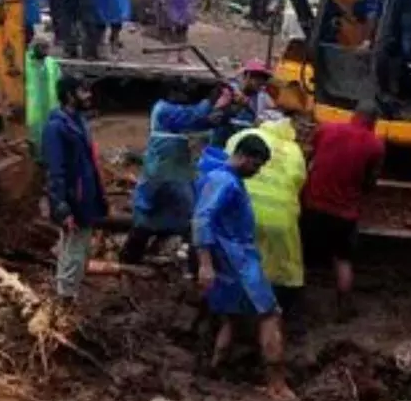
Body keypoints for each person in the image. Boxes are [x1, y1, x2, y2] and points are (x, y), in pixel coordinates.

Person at [194, 132, 294, 401]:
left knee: (233, 318)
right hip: (237, 263)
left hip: (229, 261)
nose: (257, 171)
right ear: (243, 156)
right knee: (270, 314)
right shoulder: (224, 181)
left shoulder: (220, 177)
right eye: (256, 165)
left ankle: (216, 368)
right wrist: (205, 265)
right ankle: (277, 384)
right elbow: (202, 219)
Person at [300, 99, 385, 320]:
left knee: (302, 254)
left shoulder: (327, 129)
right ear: (374, 121)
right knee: (343, 259)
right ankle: (343, 307)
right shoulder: (375, 144)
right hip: (345, 213)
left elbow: (307, 158)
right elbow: (369, 183)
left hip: (313, 204)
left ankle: (297, 301)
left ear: (353, 114)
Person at [121, 80, 219, 265]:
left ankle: (135, 254)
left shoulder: (168, 111)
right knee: (182, 209)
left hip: (170, 169)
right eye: (181, 92)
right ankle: (132, 257)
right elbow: (192, 116)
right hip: (165, 169)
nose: (185, 97)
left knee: (160, 212)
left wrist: (214, 116)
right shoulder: (165, 109)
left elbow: (197, 122)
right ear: (170, 93)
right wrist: (210, 101)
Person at [236, 111, 309, 331]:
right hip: (281, 218)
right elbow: (299, 183)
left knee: (243, 261)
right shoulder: (294, 150)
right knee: (283, 266)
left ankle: (239, 316)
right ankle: (277, 315)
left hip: (245, 213)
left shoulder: (245, 136)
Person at [43, 77, 107, 304]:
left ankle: (67, 292)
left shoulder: (77, 121)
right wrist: (62, 206)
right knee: (75, 250)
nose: (88, 96)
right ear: (70, 95)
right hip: (73, 200)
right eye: (83, 92)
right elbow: (55, 171)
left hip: (84, 196)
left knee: (75, 247)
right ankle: (65, 300)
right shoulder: (56, 128)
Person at [209, 60, 275, 151]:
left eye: (264, 79)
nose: (261, 83)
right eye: (257, 78)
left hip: (243, 145)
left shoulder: (261, 96)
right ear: (246, 76)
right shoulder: (229, 90)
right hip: (222, 142)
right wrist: (235, 106)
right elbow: (213, 117)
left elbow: (267, 116)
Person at [24, 40, 60, 160]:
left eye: (47, 49)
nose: (46, 52)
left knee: (51, 137)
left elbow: (59, 82)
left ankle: (48, 161)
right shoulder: (25, 63)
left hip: (51, 107)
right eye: (43, 49)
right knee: (34, 137)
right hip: (32, 109)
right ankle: (36, 161)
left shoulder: (51, 63)